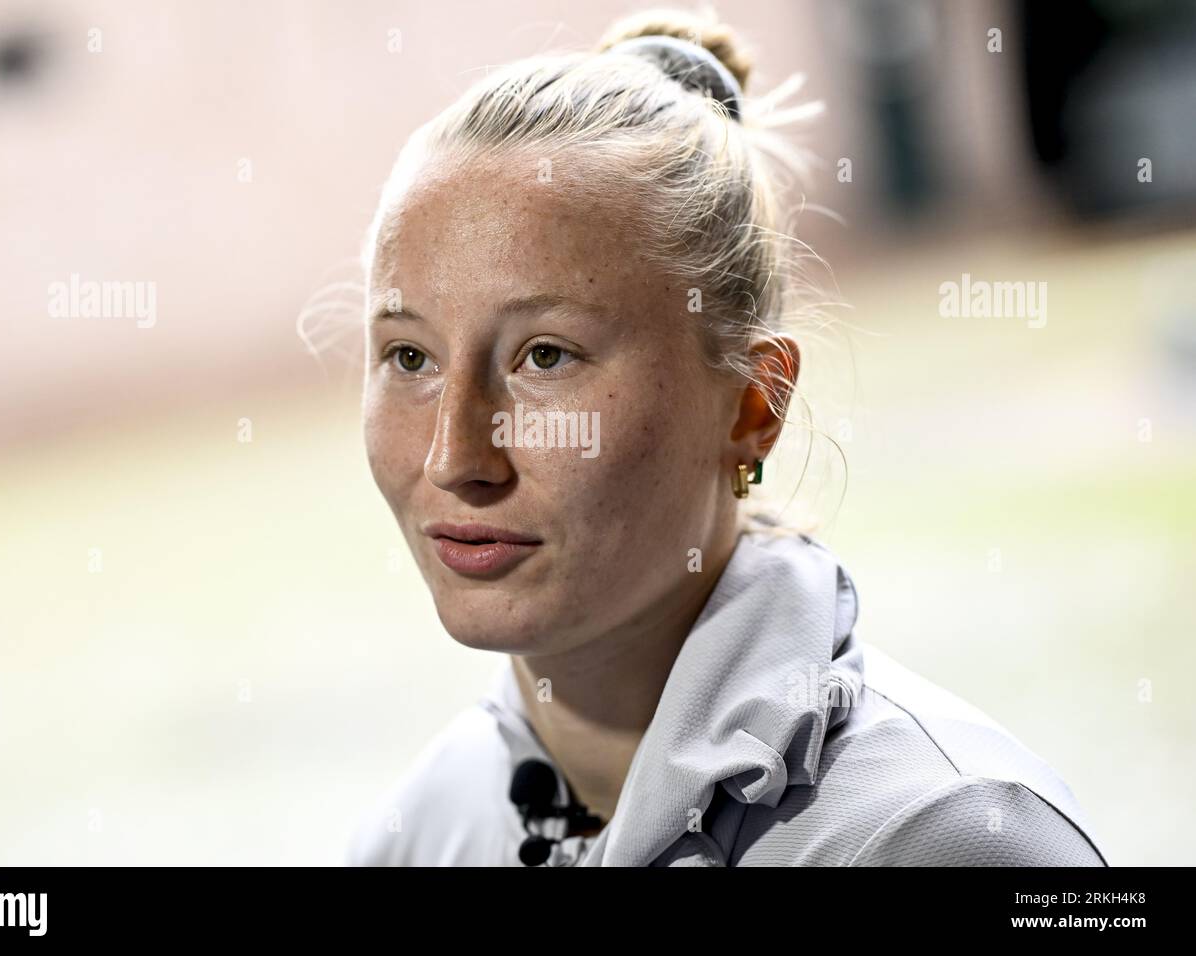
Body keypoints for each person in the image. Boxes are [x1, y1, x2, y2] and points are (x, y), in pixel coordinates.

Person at [343, 9, 1108, 867]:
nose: (454, 458)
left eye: (546, 355)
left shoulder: (948, 836)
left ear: (753, 406)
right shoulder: (417, 834)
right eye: (409, 356)